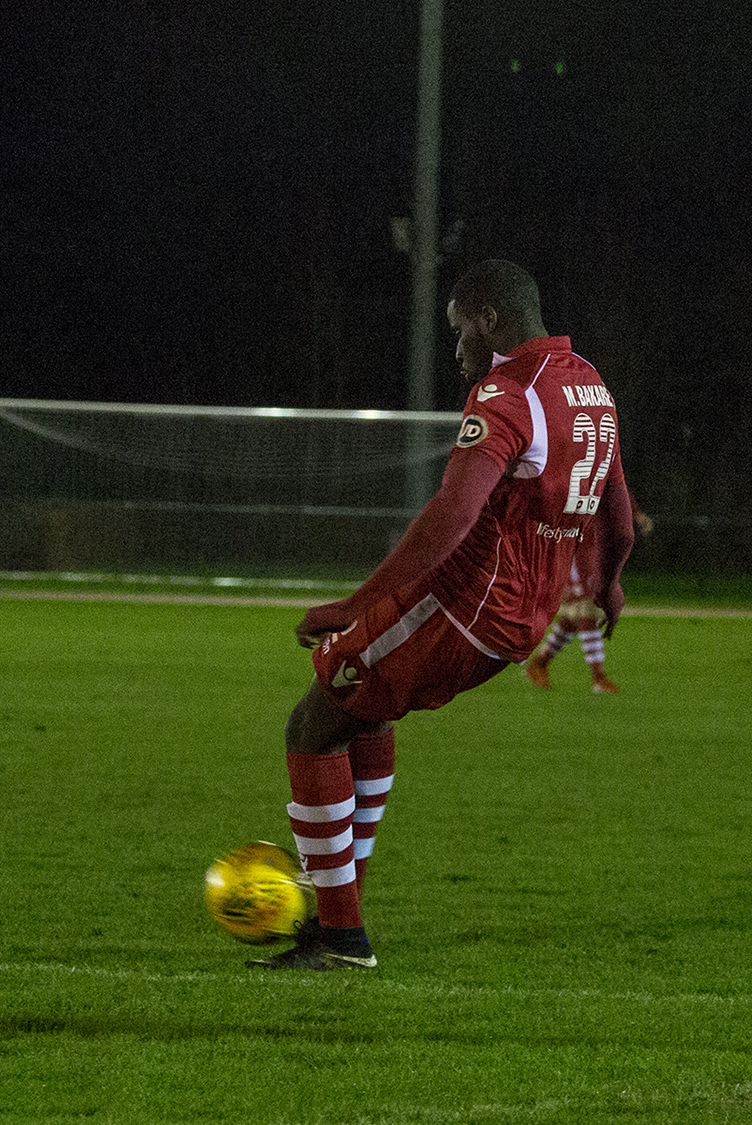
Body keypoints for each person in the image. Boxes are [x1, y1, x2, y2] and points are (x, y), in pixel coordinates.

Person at [252, 259, 635, 970]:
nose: (458, 350)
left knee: (312, 725)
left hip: (468, 603)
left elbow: (453, 515)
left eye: (461, 332)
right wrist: (608, 586)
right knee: (360, 716)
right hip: (519, 615)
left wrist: (354, 605)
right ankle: (340, 918)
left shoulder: (508, 392)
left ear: (489, 319)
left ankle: (339, 937)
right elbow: (618, 515)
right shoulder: (589, 386)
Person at [524, 506, 652, 693]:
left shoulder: (603, 479)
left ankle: (540, 662)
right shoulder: (577, 480)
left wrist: (635, 515)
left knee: (572, 618)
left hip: (593, 547)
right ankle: (598, 677)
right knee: (587, 609)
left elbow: (617, 493)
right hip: (575, 545)